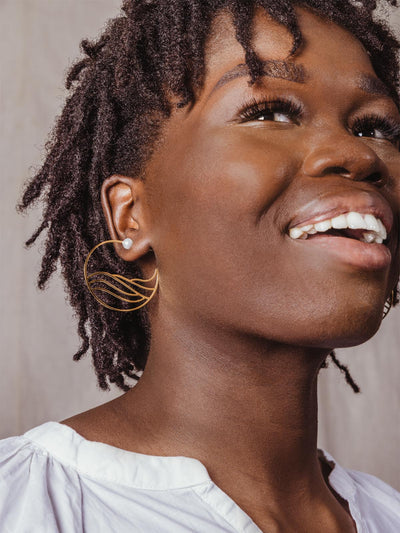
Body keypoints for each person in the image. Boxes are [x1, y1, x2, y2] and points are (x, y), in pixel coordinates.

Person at [1, 0, 400, 531]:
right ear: (131, 217)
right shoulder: (30, 502)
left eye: (376, 126)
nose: (357, 154)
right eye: (269, 112)